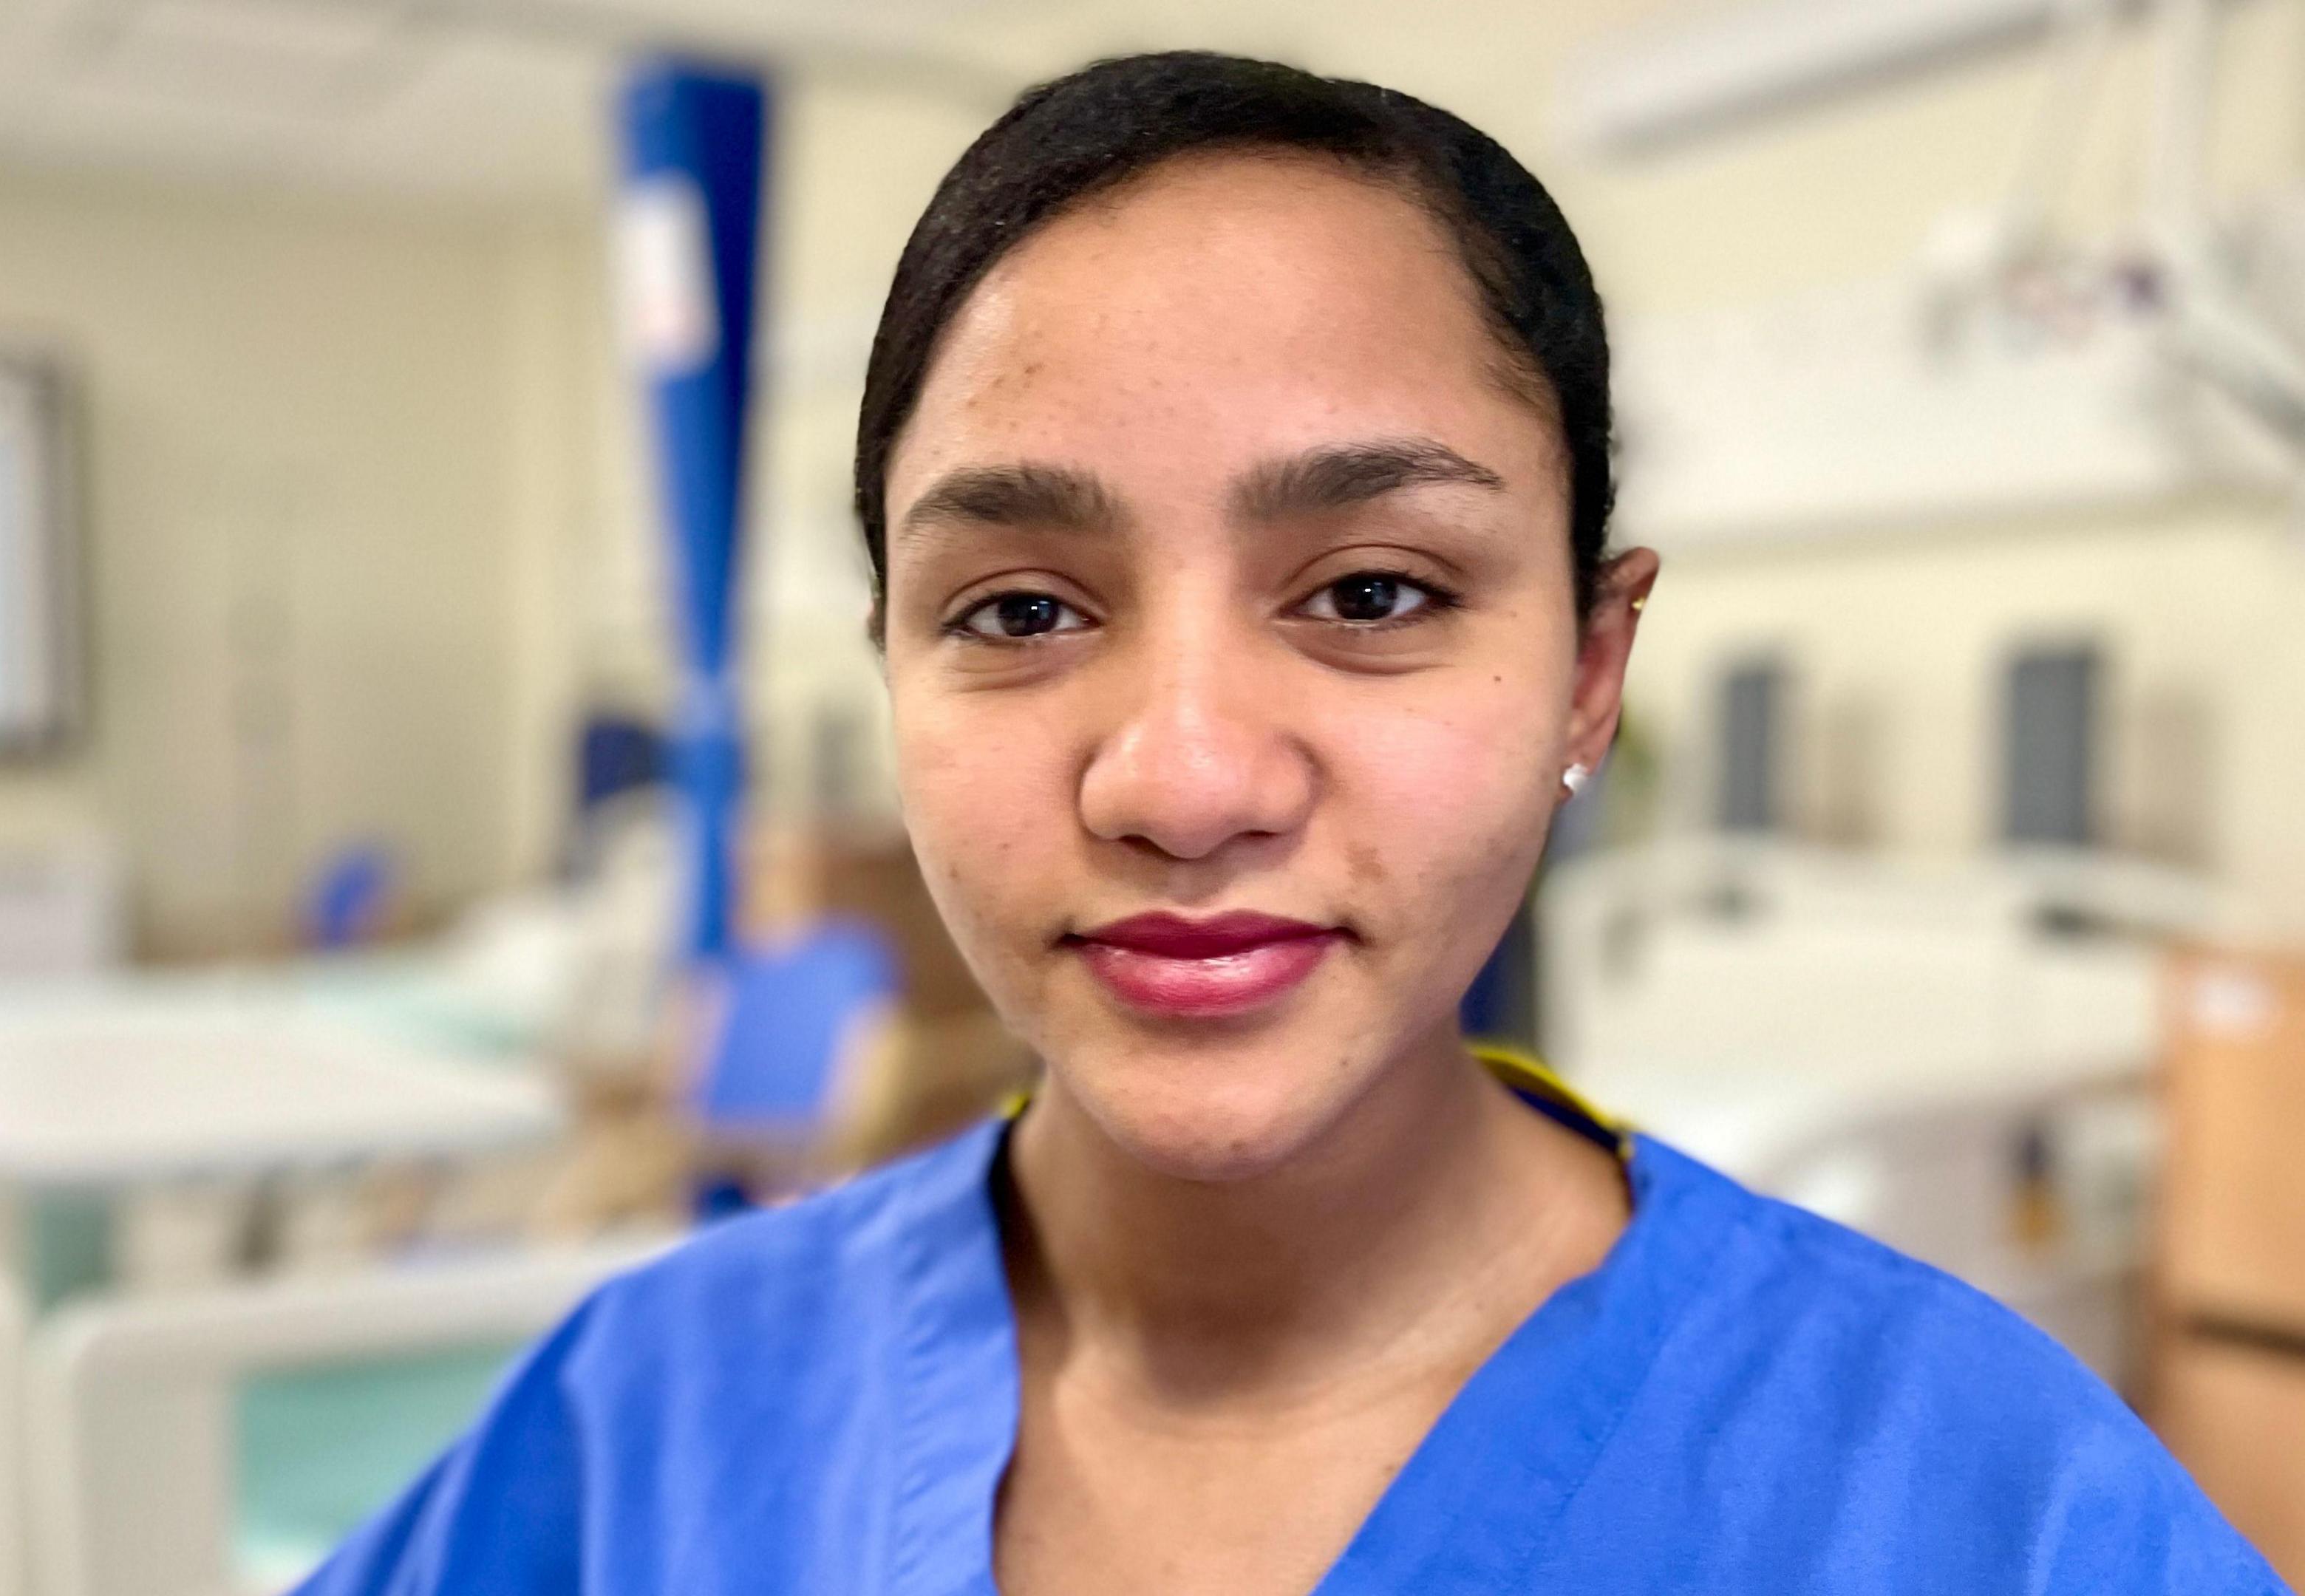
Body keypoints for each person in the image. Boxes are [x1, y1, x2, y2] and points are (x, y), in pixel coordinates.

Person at [299, 52, 2284, 1596]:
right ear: (890, 671)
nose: (1183, 778)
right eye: (1018, 611)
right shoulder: (653, 1430)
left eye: (1371, 596)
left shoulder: (1970, 1504)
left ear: (1590, 673)